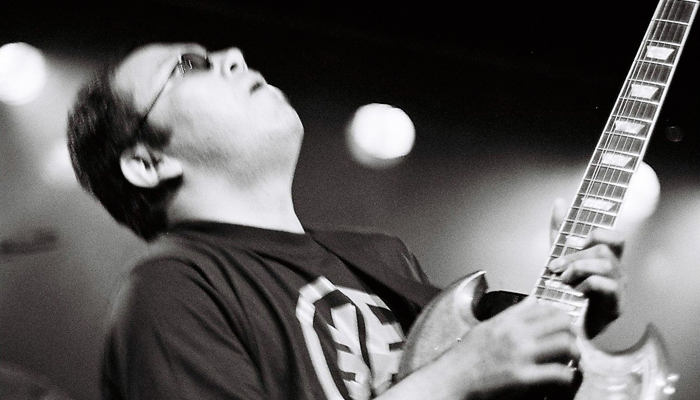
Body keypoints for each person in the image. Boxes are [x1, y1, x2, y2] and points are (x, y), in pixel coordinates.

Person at [67, 43, 625, 400]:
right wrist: (457, 379)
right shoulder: (170, 290)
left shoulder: (380, 256)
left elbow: (494, 367)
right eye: (188, 65)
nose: (233, 53)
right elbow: (464, 375)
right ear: (147, 162)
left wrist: (570, 312)